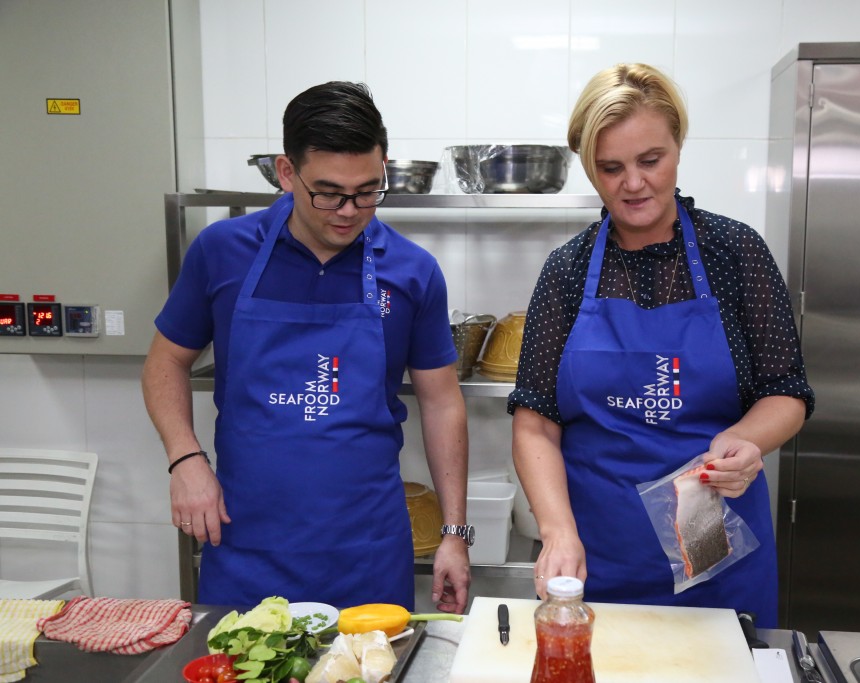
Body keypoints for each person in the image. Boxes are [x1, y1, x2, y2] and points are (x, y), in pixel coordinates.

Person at [142, 81, 471, 613]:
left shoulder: (412, 271)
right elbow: (164, 363)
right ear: (286, 172)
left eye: (367, 190)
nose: (348, 210)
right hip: (246, 543)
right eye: (328, 191)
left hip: (367, 552)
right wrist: (185, 460)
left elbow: (441, 401)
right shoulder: (222, 252)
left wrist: (455, 531)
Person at [509, 64, 814, 626]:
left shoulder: (735, 253)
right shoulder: (568, 270)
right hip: (594, 555)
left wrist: (747, 440)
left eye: (651, 160)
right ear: (590, 170)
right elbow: (535, 420)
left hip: (716, 554)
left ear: (678, 146)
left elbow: (786, 391)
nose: (633, 183)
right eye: (611, 168)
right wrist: (556, 533)